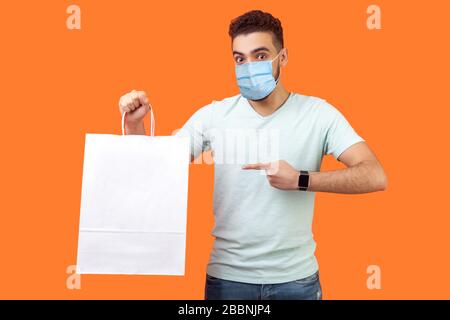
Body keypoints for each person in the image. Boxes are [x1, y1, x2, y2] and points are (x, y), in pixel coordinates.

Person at [117, 10, 388, 300]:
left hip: (296, 280)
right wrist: (135, 123)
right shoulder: (214, 115)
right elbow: (153, 169)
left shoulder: (319, 114)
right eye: (239, 58)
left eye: (260, 56)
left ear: (282, 57)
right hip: (228, 279)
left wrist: (300, 179)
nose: (248, 66)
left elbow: (374, 175)